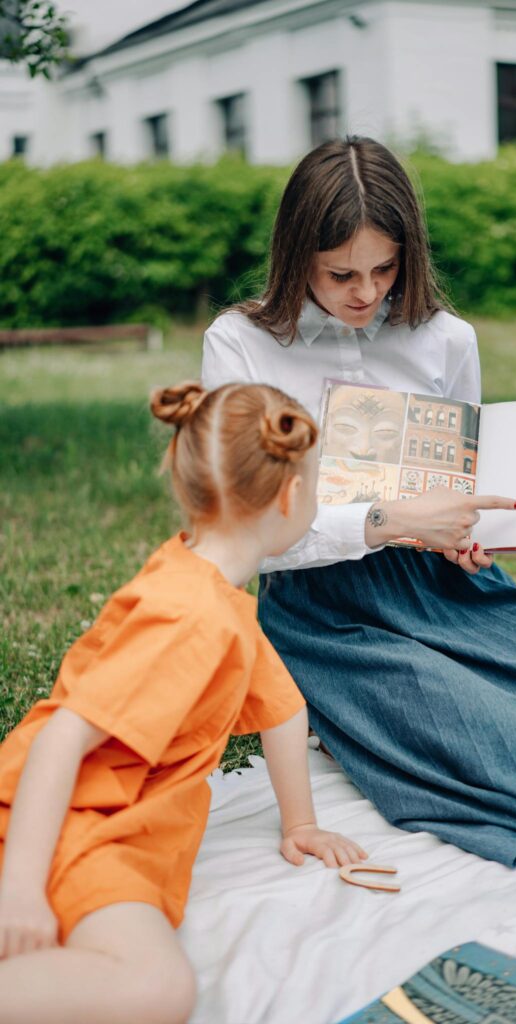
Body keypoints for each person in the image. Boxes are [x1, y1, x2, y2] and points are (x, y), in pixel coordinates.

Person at [202, 135, 516, 870]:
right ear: (296, 253)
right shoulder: (239, 345)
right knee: (513, 758)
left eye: (384, 268)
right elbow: (244, 529)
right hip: (324, 603)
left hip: (443, 581)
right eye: (340, 274)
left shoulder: (445, 337)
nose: (365, 292)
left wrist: (465, 531)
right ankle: (351, 711)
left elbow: (463, 471)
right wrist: (384, 520)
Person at [0, 380, 367, 1024]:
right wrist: (21, 892)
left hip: (103, 827)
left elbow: (281, 707)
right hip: (77, 828)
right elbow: (62, 737)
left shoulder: (213, 592)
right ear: (292, 493)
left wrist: (300, 825)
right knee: (156, 992)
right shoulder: (191, 615)